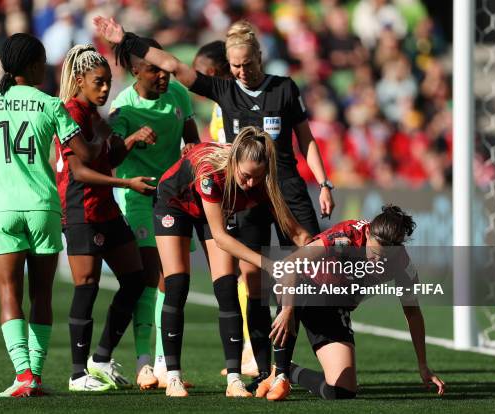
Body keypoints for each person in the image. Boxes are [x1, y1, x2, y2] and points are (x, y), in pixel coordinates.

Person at [94, 15, 333, 390]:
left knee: (305, 268)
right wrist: (126, 39)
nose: (240, 71)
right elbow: (172, 64)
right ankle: (262, 372)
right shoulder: (224, 90)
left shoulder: (285, 89)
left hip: (285, 189)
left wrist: (323, 181)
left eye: (246, 64)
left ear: (259, 57)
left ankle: (290, 367)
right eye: (234, 65)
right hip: (242, 192)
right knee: (250, 281)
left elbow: (306, 138)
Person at [0, 33, 96, 397]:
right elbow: (84, 152)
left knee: (8, 295)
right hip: (43, 207)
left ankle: (23, 375)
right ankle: (34, 374)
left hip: (2, 209)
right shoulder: (50, 104)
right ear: (33, 66)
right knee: (43, 296)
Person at [153, 126, 312, 397]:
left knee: (226, 288)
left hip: (211, 211)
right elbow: (222, 238)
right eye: (246, 176)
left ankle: (234, 380)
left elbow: (297, 232)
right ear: (234, 161)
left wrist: (322, 252)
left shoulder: (263, 183)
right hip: (174, 203)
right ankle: (173, 378)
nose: (250, 184)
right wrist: (271, 265)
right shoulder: (210, 173)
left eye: (257, 178)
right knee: (177, 284)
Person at [257, 205, 446, 400]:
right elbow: (290, 265)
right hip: (304, 286)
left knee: (344, 391)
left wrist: (423, 365)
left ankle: (289, 370)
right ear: (367, 233)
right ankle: (280, 374)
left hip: (333, 305)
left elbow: (413, 313)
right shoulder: (345, 236)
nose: (377, 262)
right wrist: (288, 309)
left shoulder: (402, 263)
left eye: (385, 257)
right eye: (374, 253)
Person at [56, 44, 159, 392]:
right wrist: (126, 183)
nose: (105, 89)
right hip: (81, 209)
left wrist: (131, 139)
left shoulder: (95, 116)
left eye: (108, 82)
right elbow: (81, 172)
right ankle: (76, 374)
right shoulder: (69, 112)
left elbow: (109, 154)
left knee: (135, 278)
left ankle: (100, 359)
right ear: (79, 81)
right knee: (86, 286)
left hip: (105, 208)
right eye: (98, 82)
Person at [106, 35, 201, 389]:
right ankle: (143, 362)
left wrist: (191, 149)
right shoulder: (124, 105)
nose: (163, 77)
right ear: (135, 70)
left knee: (170, 280)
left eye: (165, 69)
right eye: (154, 71)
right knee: (148, 275)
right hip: (140, 197)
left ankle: (162, 364)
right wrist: (130, 140)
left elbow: (191, 140)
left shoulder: (178, 95)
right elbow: (111, 154)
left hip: (175, 198)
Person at [192, 40, 257, 378]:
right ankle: (246, 347)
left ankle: (252, 348)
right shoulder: (220, 107)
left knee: (247, 271)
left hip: (244, 195)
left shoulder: (236, 103)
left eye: (200, 73)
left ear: (214, 72)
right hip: (226, 195)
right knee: (233, 274)